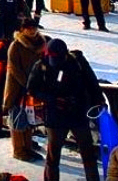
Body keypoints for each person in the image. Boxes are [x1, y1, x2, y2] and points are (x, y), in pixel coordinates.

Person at [26, 38, 105, 181]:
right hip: (55, 115)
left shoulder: (77, 62)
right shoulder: (41, 65)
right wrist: (52, 99)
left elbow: (92, 82)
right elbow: (31, 89)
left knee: (88, 154)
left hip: (78, 112)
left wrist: (99, 100)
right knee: (53, 156)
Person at [3, 17, 46, 161]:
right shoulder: (15, 45)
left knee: (29, 119)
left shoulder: (41, 42)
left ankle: (28, 148)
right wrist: (27, 84)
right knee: (17, 120)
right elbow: (14, 69)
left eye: (34, 28)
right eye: (29, 28)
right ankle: (18, 150)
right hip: (17, 88)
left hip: (33, 88)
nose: (32, 31)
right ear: (22, 29)